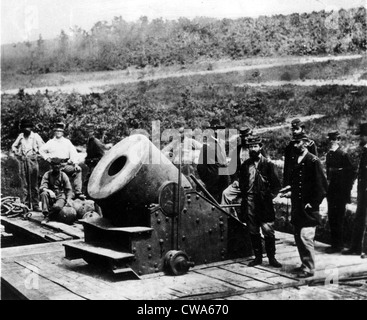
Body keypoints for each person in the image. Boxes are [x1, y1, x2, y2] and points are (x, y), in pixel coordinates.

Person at [282, 132, 327, 278]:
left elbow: (322, 187)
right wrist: (290, 191)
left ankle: (309, 268)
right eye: (294, 143)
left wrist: (312, 204)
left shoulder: (313, 161)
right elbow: (297, 183)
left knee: (305, 237)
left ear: (306, 143)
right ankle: (304, 264)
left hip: (308, 208)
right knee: (297, 236)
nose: (295, 145)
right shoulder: (296, 159)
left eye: (298, 143)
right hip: (297, 206)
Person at [239, 136, 282, 268]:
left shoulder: (268, 164)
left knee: (267, 229)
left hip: (264, 202)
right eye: (250, 147)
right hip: (250, 200)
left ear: (260, 147)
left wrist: (269, 197)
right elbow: (242, 183)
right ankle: (258, 257)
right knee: (253, 230)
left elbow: (276, 185)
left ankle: (271, 258)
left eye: (255, 146)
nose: (253, 149)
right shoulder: (245, 165)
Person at [325, 131, 355, 253]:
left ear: (338, 140)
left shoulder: (343, 154)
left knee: (339, 218)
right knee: (332, 216)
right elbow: (327, 173)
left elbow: (351, 173)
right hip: (331, 190)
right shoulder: (329, 155)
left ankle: (339, 245)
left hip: (340, 191)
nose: (331, 142)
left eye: (334, 139)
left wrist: (346, 191)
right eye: (330, 139)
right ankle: (334, 243)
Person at [39, 122, 85, 200]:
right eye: (57, 131)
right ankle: (54, 194)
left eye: (60, 131)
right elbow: (41, 150)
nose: (58, 133)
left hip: (65, 165)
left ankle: (78, 192)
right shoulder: (50, 142)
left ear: (63, 132)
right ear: (54, 132)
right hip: (54, 166)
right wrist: (47, 158)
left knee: (78, 170)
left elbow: (73, 153)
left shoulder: (67, 142)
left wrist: (76, 164)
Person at [342, 123, 367, 257]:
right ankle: (356, 247)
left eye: (362, 136)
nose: (360, 139)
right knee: (359, 218)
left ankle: (363, 249)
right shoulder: (364, 151)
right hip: (363, 192)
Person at [11, 119, 44, 211]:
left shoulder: (35, 136)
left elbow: (43, 148)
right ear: (22, 129)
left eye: (28, 127)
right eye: (25, 127)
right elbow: (14, 146)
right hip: (23, 160)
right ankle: (25, 204)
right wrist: (16, 152)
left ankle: (35, 204)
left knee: (34, 184)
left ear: (31, 128)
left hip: (33, 160)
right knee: (24, 183)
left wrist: (38, 154)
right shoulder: (21, 136)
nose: (27, 129)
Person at [221, 127, 253, 216]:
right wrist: (235, 180)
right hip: (241, 183)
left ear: (251, 135)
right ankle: (226, 218)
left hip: (254, 183)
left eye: (247, 136)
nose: (246, 138)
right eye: (243, 136)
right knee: (225, 194)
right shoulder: (238, 149)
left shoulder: (256, 148)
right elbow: (232, 168)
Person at [197, 120, 230, 203]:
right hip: (212, 184)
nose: (216, 132)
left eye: (218, 130)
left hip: (223, 182)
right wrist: (209, 179)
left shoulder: (221, 144)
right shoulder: (206, 146)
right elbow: (201, 167)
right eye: (214, 130)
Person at [283, 118, 318, 187]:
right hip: (293, 179)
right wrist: (286, 183)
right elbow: (287, 166)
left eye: (297, 129)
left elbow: (315, 165)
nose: (295, 131)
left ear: (302, 129)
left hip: (306, 178)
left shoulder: (310, 144)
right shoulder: (290, 145)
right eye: (293, 129)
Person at [39, 158, 73, 223]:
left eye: (58, 165)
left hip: (60, 195)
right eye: (54, 165)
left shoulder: (63, 175)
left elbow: (69, 189)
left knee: (58, 207)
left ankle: (50, 215)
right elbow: (42, 187)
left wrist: (68, 200)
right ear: (51, 166)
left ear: (60, 166)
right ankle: (46, 215)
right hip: (50, 195)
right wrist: (49, 191)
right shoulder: (47, 174)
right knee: (44, 194)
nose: (56, 167)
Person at [84, 123, 111, 188]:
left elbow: (102, 155)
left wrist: (92, 161)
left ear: (93, 132)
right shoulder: (89, 141)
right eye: (87, 131)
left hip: (96, 164)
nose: (89, 133)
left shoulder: (95, 141)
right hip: (90, 163)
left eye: (90, 131)